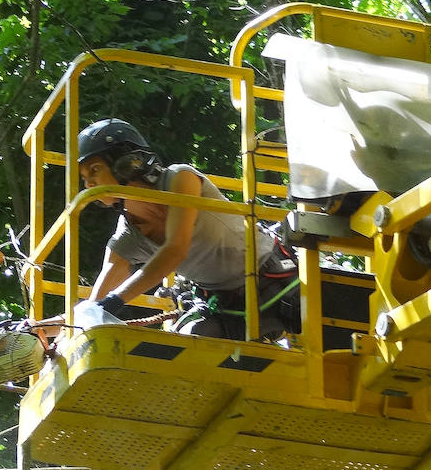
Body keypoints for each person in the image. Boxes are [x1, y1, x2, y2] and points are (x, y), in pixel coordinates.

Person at [78, 118, 299, 340]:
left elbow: (175, 249)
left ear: (126, 163)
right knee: (182, 347)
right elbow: (96, 304)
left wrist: (112, 303)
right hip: (227, 306)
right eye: (84, 178)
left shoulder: (180, 178)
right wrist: (57, 327)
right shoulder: (128, 232)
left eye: (94, 170)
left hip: (275, 284)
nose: (88, 184)